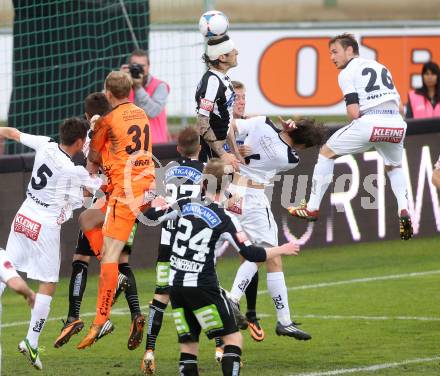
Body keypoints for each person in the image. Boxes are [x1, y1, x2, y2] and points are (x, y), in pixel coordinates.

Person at [144, 158, 301, 376]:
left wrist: (154, 201)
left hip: (176, 285)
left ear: (202, 183)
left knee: (189, 347)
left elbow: (150, 217)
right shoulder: (224, 217)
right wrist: (281, 249)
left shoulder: (183, 203)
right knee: (233, 339)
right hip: (203, 286)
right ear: (227, 186)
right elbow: (250, 253)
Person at [287, 33, 413, 241]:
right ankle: (404, 209)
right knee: (394, 166)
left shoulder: (347, 73)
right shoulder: (380, 67)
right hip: (397, 124)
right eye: (330, 53)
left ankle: (312, 207)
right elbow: (400, 106)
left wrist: (369, 126)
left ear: (349, 50)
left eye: (335, 52)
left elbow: (354, 113)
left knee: (326, 152)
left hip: (371, 122)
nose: (331, 57)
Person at [0, 118, 102, 369]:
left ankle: (30, 341)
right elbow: (98, 188)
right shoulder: (73, 171)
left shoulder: (45, 144)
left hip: (23, 216)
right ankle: (31, 342)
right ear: (79, 142)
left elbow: (12, 132)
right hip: (44, 226)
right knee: (48, 283)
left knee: (6, 270)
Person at [54, 92, 143, 351]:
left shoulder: (94, 138)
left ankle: (73, 316)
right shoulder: (124, 128)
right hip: (131, 203)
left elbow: (91, 170)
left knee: (81, 259)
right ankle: (136, 313)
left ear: (86, 115)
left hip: (107, 204)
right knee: (122, 261)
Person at [226, 115, 326, 341]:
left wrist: (238, 146)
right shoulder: (291, 159)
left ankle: (285, 320)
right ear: (303, 145)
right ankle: (232, 299)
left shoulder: (262, 121)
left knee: (273, 258)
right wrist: (290, 132)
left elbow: (231, 124)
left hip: (232, 191)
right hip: (253, 197)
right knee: (264, 252)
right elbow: (285, 145)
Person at [77, 71, 155, 349]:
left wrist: (96, 127)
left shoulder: (107, 121)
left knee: (110, 257)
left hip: (126, 193)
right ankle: (121, 285)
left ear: (109, 94)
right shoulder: (141, 113)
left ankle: (100, 321)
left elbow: (93, 159)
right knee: (87, 218)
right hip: (145, 186)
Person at [141, 126, 205, 374]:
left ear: (178, 148)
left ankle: (149, 351)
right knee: (205, 292)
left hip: (168, 243)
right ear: (199, 147)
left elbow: (150, 211)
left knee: (160, 296)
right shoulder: (206, 172)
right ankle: (223, 349)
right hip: (192, 243)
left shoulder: (164, 172)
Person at [195, 35, 243, 170]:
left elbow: (226, 120)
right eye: (233, 50)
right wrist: (222, 154)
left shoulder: (222, 78)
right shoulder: (213, 82)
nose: (237, 52)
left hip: (220, 153)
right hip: (212, 156)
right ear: (222, 58)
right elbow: (202, 122)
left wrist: (235, 153)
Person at [121, 49, 170, 143]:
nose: (138, 68)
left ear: (148, 67)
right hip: (128, 145)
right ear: (129, 67)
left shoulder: (160, 86)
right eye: (135, 65)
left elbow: (153, 112)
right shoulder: (124, 86)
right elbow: (108, 103)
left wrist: (138, 87)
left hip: (154, 145)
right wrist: (119, 80)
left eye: (142, 65)